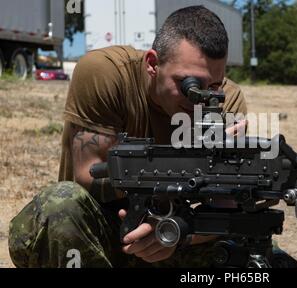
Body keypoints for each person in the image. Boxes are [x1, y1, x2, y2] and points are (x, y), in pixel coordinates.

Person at [8, 6, 248, 268]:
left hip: (177, 234)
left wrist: (177, 231)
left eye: (213, 86)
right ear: (153, 64)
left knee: (252, 247)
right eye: (189, 85)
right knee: (61, 204)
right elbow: (88, 175)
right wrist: (197, 160)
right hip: (100, 233)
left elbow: (228, 208)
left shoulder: (228, 100)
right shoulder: (105, 72)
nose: (201, 99)